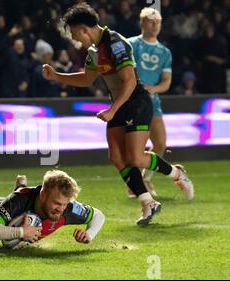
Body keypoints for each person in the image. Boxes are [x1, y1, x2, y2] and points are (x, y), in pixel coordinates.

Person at [42, 3, 194, 226]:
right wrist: (57, 76)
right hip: (120, 105)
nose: (75, 39)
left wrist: (113, 110)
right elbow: (86, 79)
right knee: (116, 157)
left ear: (84, 29)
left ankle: (177, 173)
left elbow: (130, 81)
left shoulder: (115, 42)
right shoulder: (94, 52)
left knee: (134, 157)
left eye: (75, 34)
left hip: (136, 103)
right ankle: (147, 202)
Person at [127, 8, 173, 198]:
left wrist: (152, 89)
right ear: (142, 23)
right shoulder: (131, 45)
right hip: (133, 102)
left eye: (158, 22)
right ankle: (134, 185)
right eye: (151, 21)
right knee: (135, 148)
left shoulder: (165, 52)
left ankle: (145, 179)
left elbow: (166, 82)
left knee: (160, 143)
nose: (155, 25)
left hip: (153, 103)